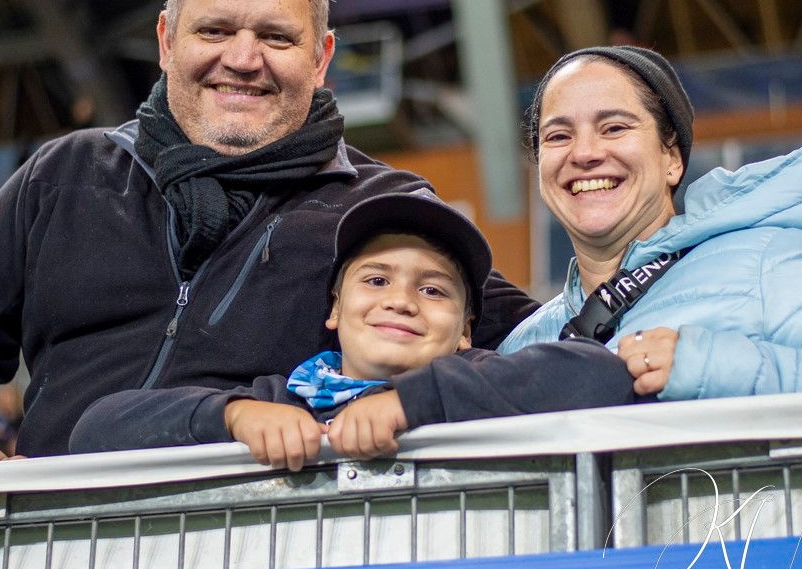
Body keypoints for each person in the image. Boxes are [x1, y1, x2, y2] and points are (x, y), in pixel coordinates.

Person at [0, 0, 540, 511]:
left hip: (264, 542)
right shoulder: (69, 170)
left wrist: (639, 330)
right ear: (168, 41)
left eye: (276, 37)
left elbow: (527, 340)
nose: (243, 58)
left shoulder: (384, 210)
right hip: (55, 539)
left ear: (320, 57)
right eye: (214, 31)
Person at [70, 192, 633, 470]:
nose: (402, 301)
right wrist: (231, 416)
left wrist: (409, 406)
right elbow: (94, 429)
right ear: (334, 310)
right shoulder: (278, 401)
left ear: (466, 332)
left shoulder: (478, 379)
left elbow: (600, 376)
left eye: (433, 290)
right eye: (377, 279)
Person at [498, 45, 802, 398]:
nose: (585, 153)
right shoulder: (523, 346)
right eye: (558, 136)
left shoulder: (772, 261)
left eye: (614, 128)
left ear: (671, 158)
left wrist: (704, 365)